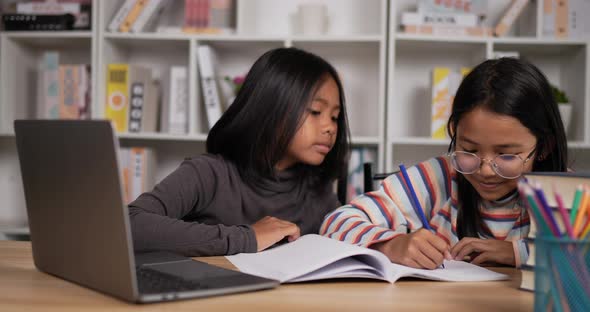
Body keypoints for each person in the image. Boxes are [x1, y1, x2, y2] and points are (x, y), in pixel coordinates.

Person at [320, 57, 568, 269]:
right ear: (453, 132)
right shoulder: (438, 177)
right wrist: (391, 245)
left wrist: (517, 253)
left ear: (544, 147)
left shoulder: (567, 193)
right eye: (469, 150)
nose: (484, 170)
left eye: (506, 155)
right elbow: (335, 223)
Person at [129, 47, 350, 256]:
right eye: (316, 111)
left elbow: (349, 233)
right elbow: (130, 224)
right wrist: (248, 238)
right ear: (270, 107)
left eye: (334, 116)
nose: (330, 127)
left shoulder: (319, 192)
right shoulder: (209, 173)